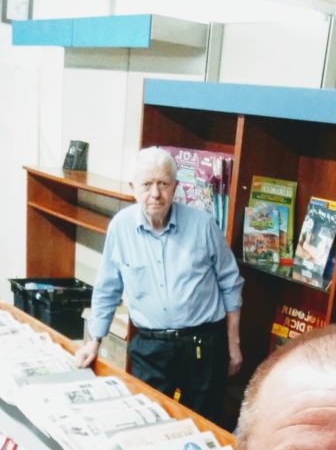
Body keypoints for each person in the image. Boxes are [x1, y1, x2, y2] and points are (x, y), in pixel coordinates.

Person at [75, 146, 244, 425]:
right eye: (147, 184)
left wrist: (233, 344)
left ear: (175, 187)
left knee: (203, 425)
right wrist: (94, 341)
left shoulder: (203, 225)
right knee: (146, 420)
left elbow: (231, 283)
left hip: (202, 346)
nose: (155, 193)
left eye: (163, 184)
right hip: (151, 347)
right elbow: (107, 289)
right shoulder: (120, 228)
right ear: (133, 188)